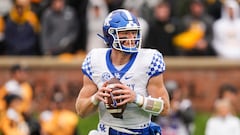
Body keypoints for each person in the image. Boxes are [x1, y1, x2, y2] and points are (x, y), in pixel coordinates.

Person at [75, 9, 170, 135]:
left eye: (134, 33)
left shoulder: (149, 60)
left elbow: (164, 108)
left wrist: (137, 99)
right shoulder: (95, 60)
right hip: (106, 131)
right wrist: (96, 98)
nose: (132, 38)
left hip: (140, 131)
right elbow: (81, 111)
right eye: (125, 33)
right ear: (110, 35)